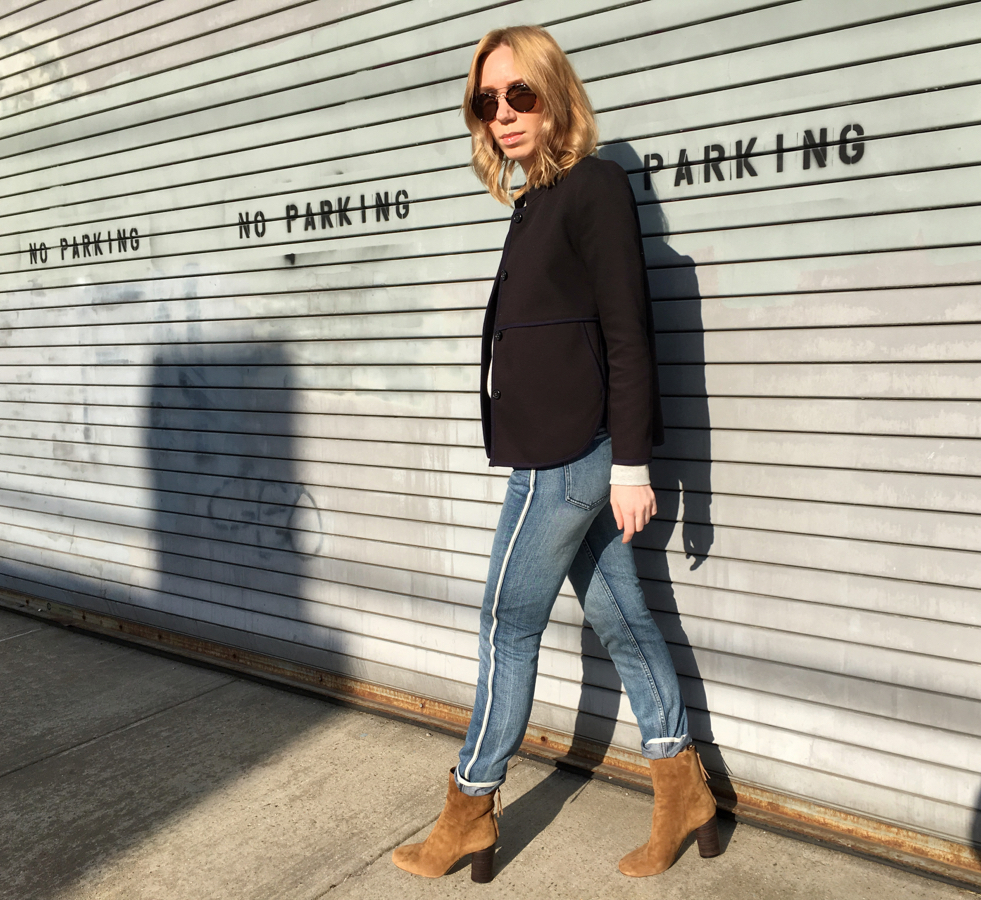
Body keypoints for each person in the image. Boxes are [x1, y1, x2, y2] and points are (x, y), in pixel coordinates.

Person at [392, 25, 718, 883]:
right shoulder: (535, 200)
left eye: (520, 95)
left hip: (570, 454)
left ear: (555, 95)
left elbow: (626, 329)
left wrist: (633, 465)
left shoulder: (594, 186)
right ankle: (683, 786)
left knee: (506, 621)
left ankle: (469, 804)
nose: (502, 114)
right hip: (558, 446)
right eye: (486, 100)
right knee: (621, 616)